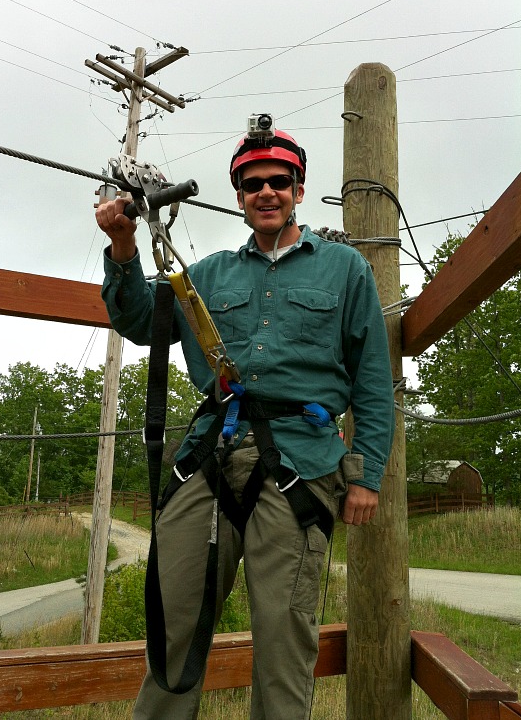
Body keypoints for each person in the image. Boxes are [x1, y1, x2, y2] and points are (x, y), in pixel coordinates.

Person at [95, 118, 395, 720]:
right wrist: (124, 246)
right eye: (252, 183)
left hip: (299, 462)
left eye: (278, 181)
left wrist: (365, 475)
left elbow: (372, 380)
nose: (266, 192)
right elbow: (135, 321)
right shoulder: (206, 276)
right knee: (173, 627)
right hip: (209, 453)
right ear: (238, 196)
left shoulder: (344, 270)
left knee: (283, 646)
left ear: (298, 189)